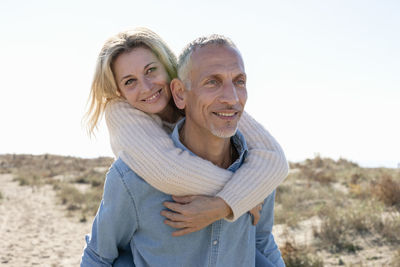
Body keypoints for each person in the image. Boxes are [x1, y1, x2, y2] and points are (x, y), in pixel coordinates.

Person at [81, 31, 285, 266]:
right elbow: (99, 256)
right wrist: (237, 198)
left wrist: (239, 196)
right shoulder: (132, 172)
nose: (146, 87)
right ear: (120, 93)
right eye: (130, 81)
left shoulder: (256, 170)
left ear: (170, 70)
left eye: (150, 70)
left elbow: (260, 241)